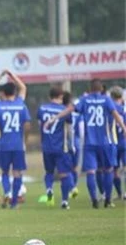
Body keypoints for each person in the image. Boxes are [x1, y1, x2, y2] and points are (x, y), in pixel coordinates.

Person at [46, 79, 126, 208]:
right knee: (108, 170)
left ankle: (94, 199)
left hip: (90, 143)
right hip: (106, 142)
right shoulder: (106, 100)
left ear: (90, 88)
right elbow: (115, 113)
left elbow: (70, 109)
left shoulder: (85, 100)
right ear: (101, 89)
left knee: (91, 172)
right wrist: (124, 128)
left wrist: (55, 118)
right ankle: (108, 199)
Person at [0, 71, 30, 208]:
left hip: (4, 144)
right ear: (14, 91)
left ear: (3, 93)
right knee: (17, 173)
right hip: (18, 145)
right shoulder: (21, 104)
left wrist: (1, 75)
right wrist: (12, 75)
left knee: (4, 172)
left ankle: (7, 192)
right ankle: (14, 201)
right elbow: (23, 88)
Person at [36, 86, 75, 209]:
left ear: (49, 96)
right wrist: (71, 145)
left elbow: (40, 125)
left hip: (47, 146)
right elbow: (69, 130)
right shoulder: (64, 110)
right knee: (65, 174)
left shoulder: (42, 108)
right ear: (61, 97)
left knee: (49, 172)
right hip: (60, 147)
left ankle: (49, 190)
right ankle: (64, 201)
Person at [109, 86, 125, 200]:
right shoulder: (123, 109)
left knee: (114, 170)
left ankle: (119, 193)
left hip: (112, 142)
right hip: (124, 142)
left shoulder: (108, 108)